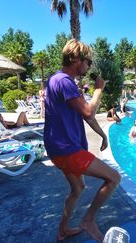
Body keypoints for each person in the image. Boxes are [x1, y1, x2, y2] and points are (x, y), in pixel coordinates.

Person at [43, 39, 121, 242]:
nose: (89, 66)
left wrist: (102, 134)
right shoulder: (64, 81)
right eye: (88, 61)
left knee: (77, 189)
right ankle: (88, 220)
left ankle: (62, 231)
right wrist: (99, 89)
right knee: (114, 178)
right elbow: (88, 111)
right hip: (67, 149)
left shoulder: (56, 80)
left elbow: (84, 115)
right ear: (77, 59)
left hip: (58, 149)